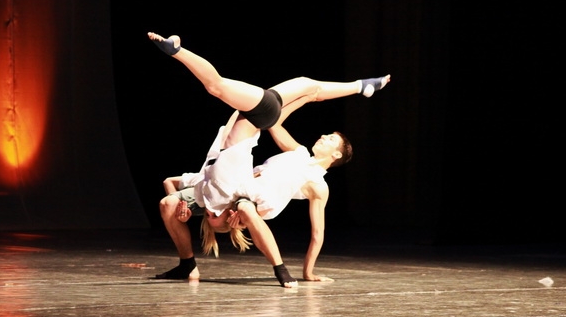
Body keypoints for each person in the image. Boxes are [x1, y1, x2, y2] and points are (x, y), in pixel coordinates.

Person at [148, 32, 390, 287]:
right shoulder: (299, 153)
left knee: (220, 87)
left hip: (256, 122)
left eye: (330, 139)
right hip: (260, 118)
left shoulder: (318, 184)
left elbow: (317, 233)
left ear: (336, 155)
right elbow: (276, 125)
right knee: (305, 86)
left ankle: (177, 51)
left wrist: (308, 271)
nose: (323, 136)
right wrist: (305, 100)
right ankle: (362, 86)